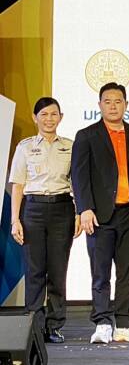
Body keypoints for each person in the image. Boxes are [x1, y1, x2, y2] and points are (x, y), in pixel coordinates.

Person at [71, 82, 129, 344]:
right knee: (100, 272)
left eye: (118, 101)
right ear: (99, 105)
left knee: (127, 272)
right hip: (99, 215)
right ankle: (102, 322)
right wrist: (84, 209)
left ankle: (124, 324)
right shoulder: (86, 135)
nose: (113, 106)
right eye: (108, 101)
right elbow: (79, 176)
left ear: (126, 104)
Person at [9, 97, 79, 343]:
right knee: (35, 270)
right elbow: (18, 185)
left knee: (58, 271)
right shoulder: (25, 147)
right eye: (44, 114)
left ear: (61, 117)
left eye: (53, 114)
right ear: (34, 118)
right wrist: (15, 220)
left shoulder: (70, 146)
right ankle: (35, 326)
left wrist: (78, 213)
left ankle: (55, 325)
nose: (49, 119)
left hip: (62, 209)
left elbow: (78, 183)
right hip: (33, 210)